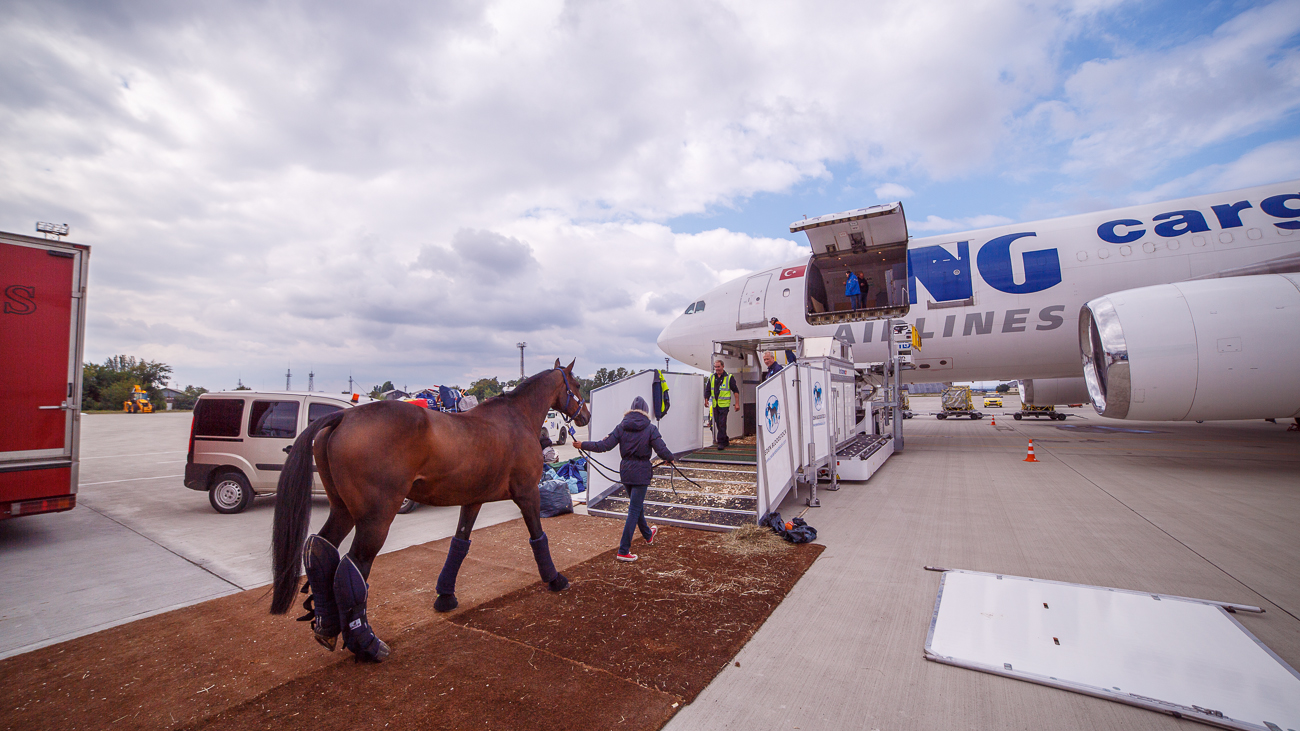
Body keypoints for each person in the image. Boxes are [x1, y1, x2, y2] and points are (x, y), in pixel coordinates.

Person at [573, 396, 673, 562]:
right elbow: (661, 449)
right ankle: (623, 550)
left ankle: (648, 534)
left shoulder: (621, 426)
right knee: (634, 509)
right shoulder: (650, 428)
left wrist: (583, 445)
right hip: (641, 472)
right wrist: (670, 458)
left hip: (626, 471)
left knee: (636, 506)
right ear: (646, 411)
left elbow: (603, 446)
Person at [704, 360, 740, 449]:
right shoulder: (712, 377)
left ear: (723, 366)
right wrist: (706, 399)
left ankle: (721, 442)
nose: (717, 369)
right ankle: (726, 439)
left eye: (718, 367)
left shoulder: (729, 377)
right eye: (715, 367)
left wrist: (737, 403)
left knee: (722, 423)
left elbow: (735, 391)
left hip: (724, 405)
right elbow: (708, 389)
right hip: (715, 405)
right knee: (717, 423)